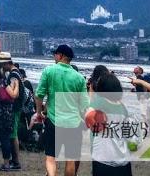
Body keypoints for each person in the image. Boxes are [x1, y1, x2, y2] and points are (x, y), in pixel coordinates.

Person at [35, 43, 87, 176]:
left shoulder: (49, 71)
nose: (54, 56)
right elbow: (84, 105)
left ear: (61, 56)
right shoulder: (79, 78)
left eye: (55, 54)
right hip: (73, 122)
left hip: (53, 120)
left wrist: (38, 112)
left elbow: (39, 94)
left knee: (51, 158)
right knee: (70, 160)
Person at [86, 72, 133, 176]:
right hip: (123, 159)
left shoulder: (98, 103)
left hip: (103, 158)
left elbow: (88, 119)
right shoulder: (123, 107)